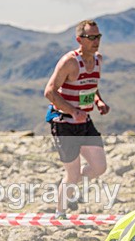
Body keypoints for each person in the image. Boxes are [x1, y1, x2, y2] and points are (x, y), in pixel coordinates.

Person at [43, 20, 110, 219]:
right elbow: (49, 92)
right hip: (63, 123)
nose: (96, 41)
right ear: (79, 39)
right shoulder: (69, 62)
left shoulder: (98, 60)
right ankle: (60, 213)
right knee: (71, 174)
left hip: (85, 122)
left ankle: (71, 187)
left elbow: (90, 85)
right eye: (91, 37)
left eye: (98, 37)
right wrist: (73, 111)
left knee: (99, 167)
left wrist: (98, 101)